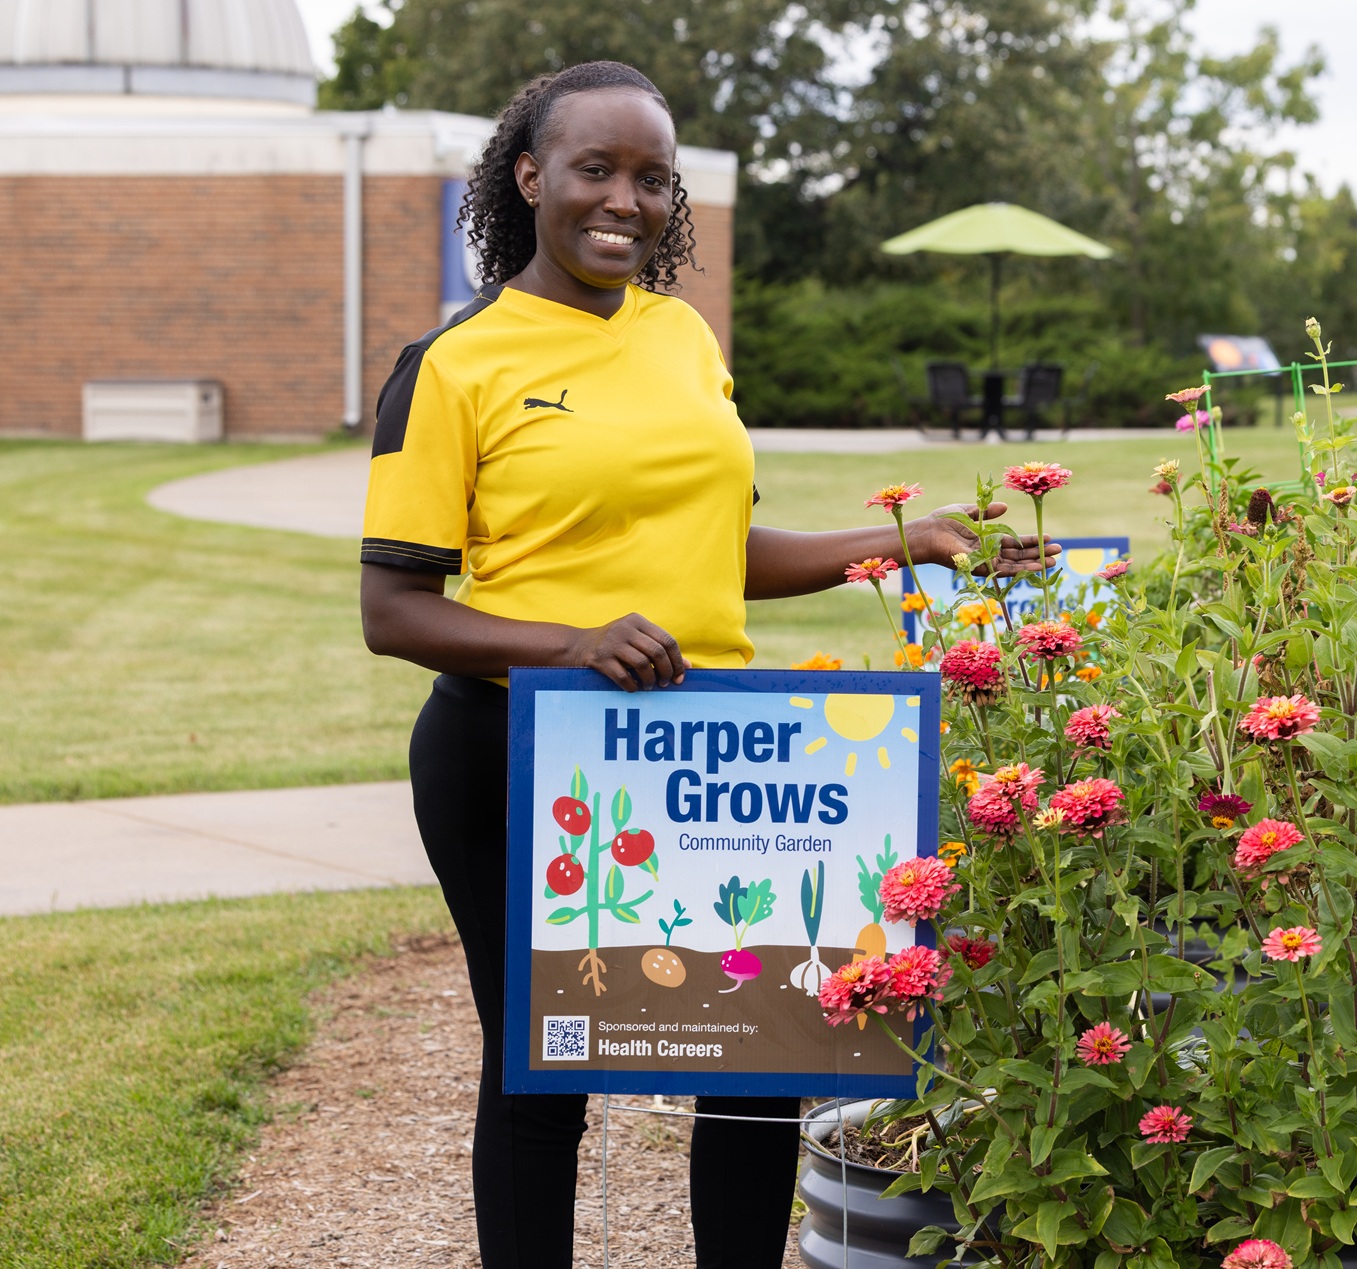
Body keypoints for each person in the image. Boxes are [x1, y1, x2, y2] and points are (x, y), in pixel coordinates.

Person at [357, 60, 1056, 1269]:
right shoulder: (454, 364)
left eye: (652, 179)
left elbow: (718, 553)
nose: (625, 200)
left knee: (762, 1052)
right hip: (517, 753)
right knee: (542, 1069)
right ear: (530, 178)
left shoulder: (683, 338)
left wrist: (905, 543)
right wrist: (571, 643)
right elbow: (394, 609)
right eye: (595, 170)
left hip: (705, 748)